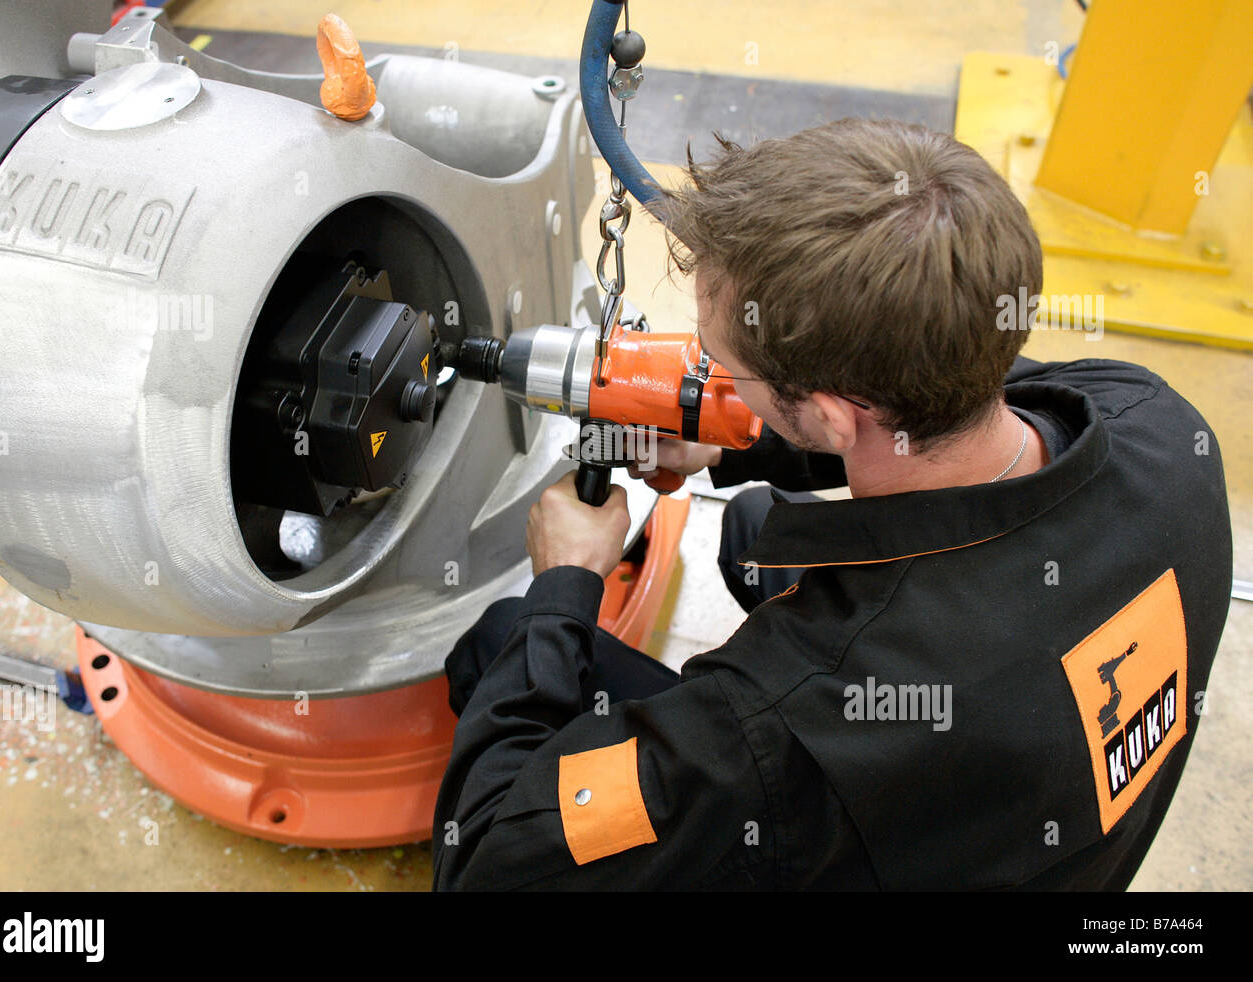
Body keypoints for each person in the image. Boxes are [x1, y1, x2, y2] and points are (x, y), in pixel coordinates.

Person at [430, 118, 1232, 890]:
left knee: (506, 641)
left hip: (878, 792)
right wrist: (731, 440)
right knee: (755, 528)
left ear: (831, 415)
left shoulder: (782, 725)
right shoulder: (1157, 422)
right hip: (1014, 815)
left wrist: (566, 584)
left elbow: (484, 866)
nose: (709, 374)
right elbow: (921, 387)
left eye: (722, 364)